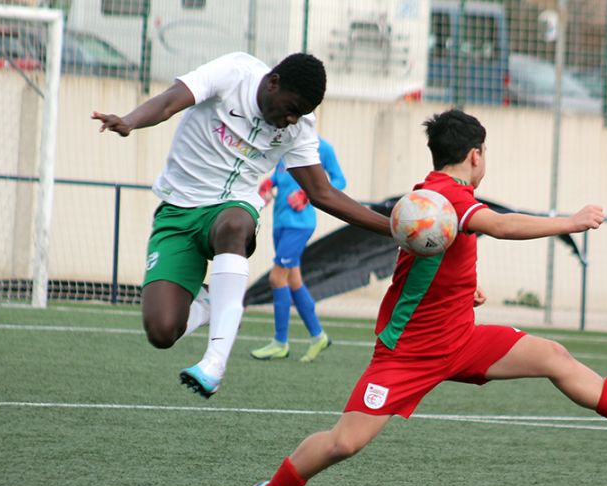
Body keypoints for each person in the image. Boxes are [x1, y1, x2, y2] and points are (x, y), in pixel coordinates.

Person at [233, 108, 607, 486]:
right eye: (485, 155)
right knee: (344, 443)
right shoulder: (447, 198)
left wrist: (463, 292)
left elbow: (433, 256)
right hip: (408, 353)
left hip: (460, 338)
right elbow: (498, 225)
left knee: (555, 356)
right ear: (476, 155)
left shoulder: (434, 195)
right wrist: (570, 222)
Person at [92, 52, 390, 398]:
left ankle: (214, 363)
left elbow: (323, 193)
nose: (291, 119)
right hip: (178, 212)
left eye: (300, 114)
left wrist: (392, 230)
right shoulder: (233, 73)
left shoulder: (297, 129)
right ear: (273, 82)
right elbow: (168, 102)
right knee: (161, 332)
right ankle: (208, 304)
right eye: (291, 107)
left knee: (235, 225)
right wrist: (130, 120)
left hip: (232, 209)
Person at [250, 138, 345, 363]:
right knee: (293, 281)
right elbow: (284, 176)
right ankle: (318, 336)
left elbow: (340, 181)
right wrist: (269, 182)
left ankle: (280, 343)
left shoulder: (322, 147)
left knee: (276, 278)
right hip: (281, 222)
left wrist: (308, 195)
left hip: (299, 225)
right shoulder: (286, 142)